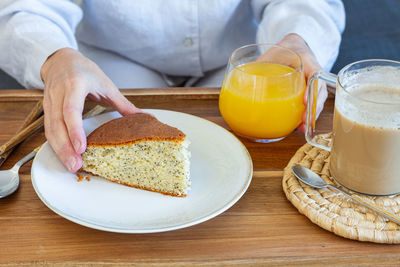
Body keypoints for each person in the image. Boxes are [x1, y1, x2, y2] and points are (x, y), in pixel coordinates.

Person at [0, 0, 345, 172]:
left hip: (242, 64)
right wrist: (57, 58)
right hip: (108, 70)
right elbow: (25, 7)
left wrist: (299, 37)